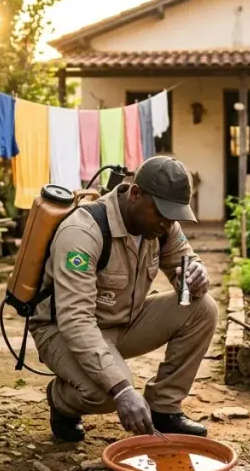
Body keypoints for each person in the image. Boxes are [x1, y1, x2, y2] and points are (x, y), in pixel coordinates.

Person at [30, 156, 219, 442]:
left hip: (124, 321)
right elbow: (76, 321)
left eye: (174, 216)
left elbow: (186, 261)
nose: (167, 223)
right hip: (62, 330)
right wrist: (121, 389)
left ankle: (164, 409)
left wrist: (197, 276)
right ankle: (61, 400)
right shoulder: (82, 232)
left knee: (203, 309)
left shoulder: (162, 226)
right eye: (161, 213)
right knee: (107, 394)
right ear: (134, 194)